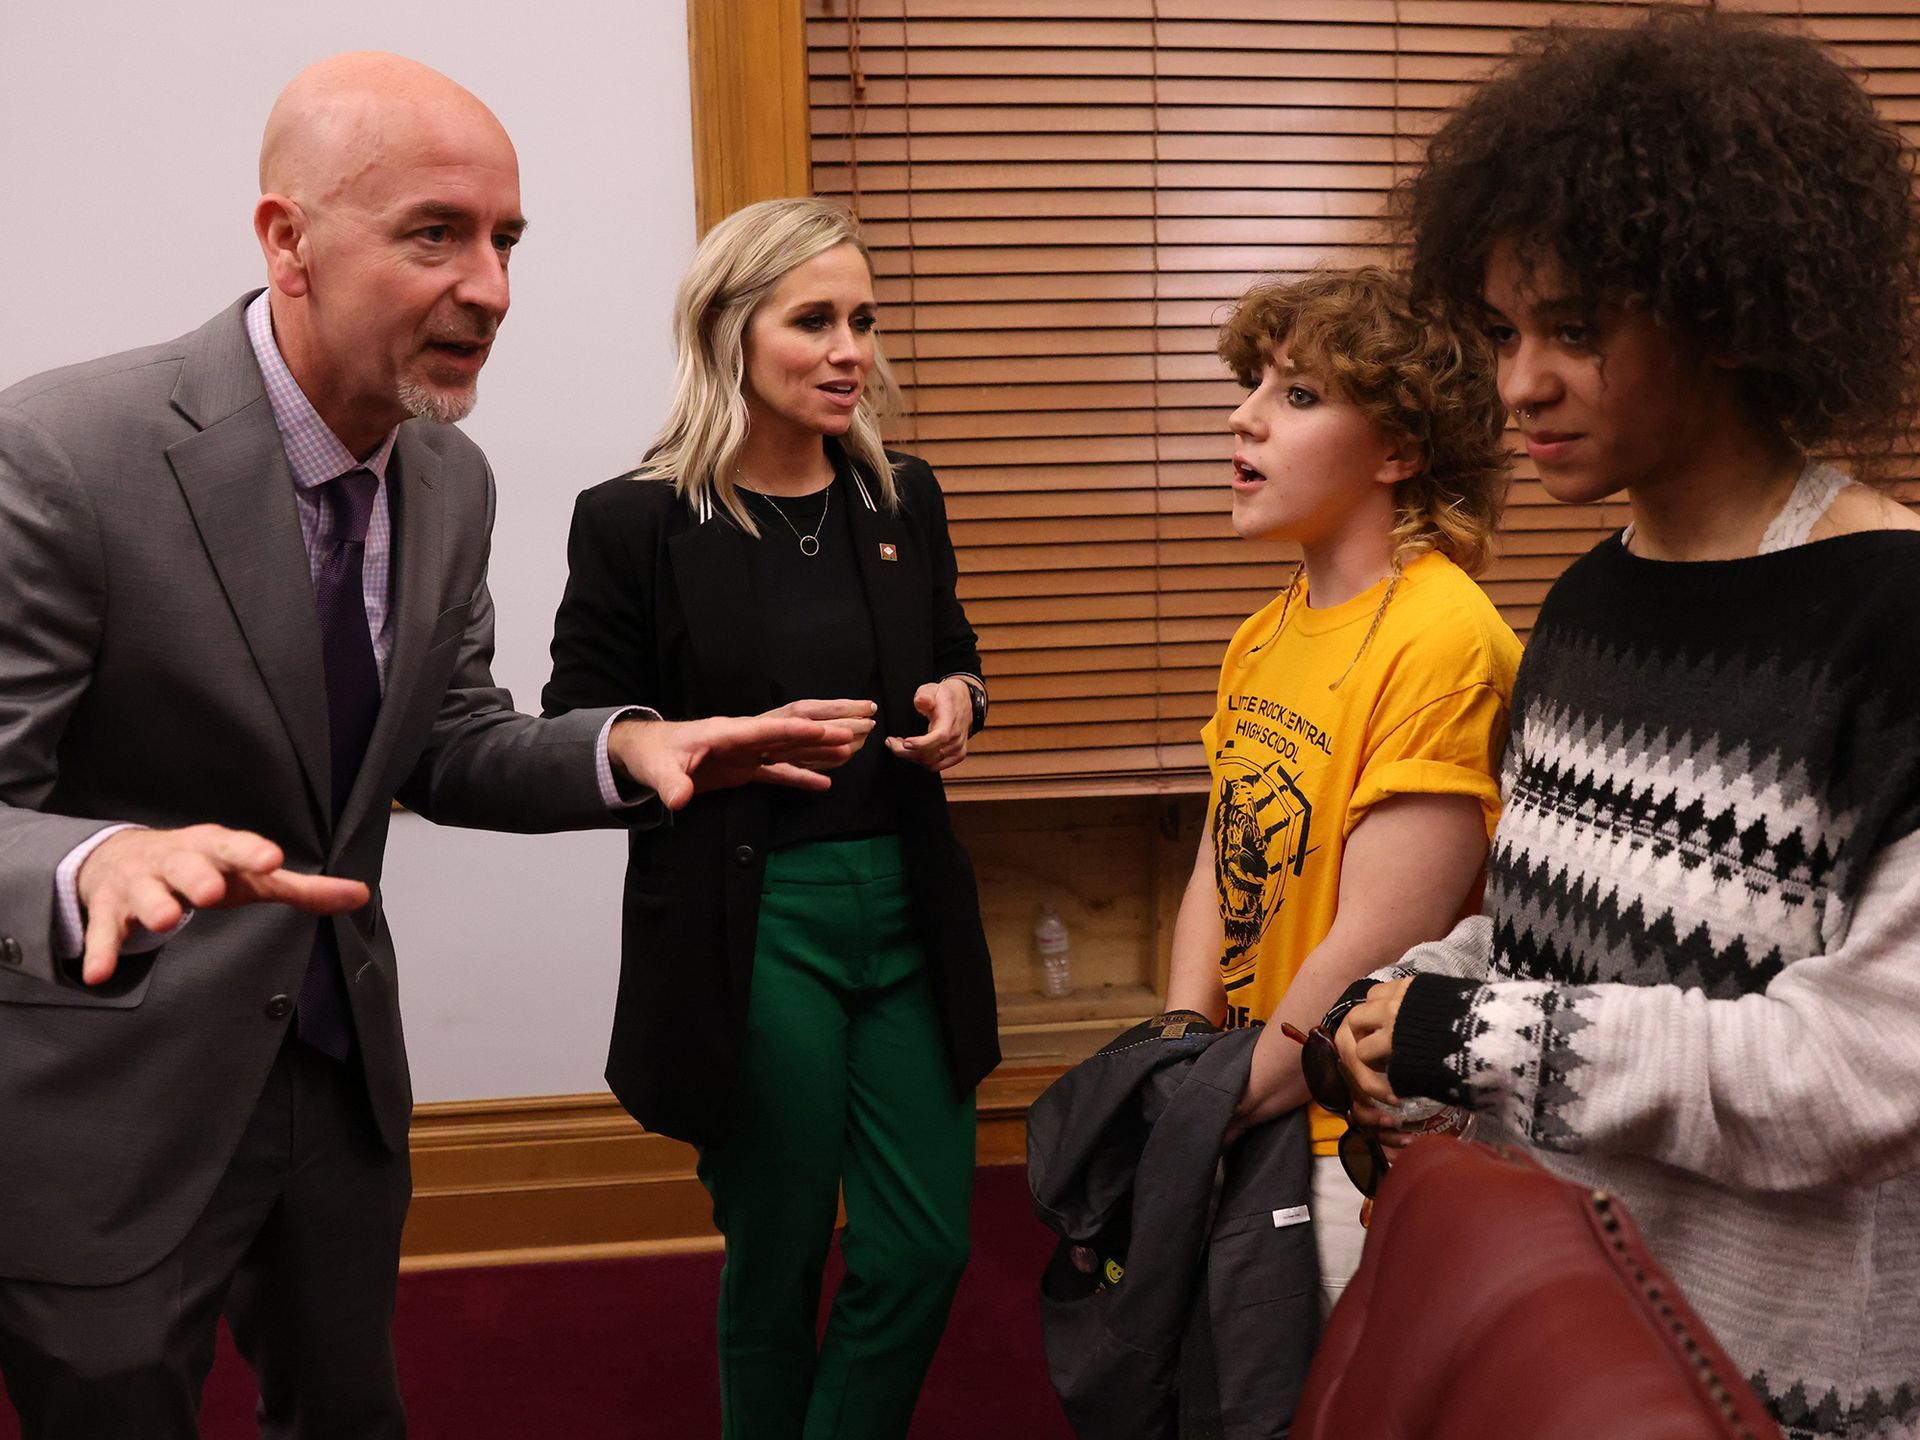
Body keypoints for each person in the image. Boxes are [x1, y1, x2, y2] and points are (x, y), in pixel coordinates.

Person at [0, 54, 853, 1440]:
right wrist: (103, 857)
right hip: (112, 1093)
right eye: (434, 235)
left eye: (506, 242)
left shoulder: (449, 476)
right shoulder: (62, 451)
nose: (492, 290)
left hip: (336, 1082)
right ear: (286, 239)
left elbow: (442, 743)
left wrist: (627, 749)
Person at [1326, 12, 1920, 1439]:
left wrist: (1468, 1034)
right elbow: (1553, 928)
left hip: (1775, 1395)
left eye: (1576, 332)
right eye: (1502, 333)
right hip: (1552, 1343)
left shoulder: (1894, 622)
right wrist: (1402, 996)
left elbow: (1857, 1070)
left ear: (1728, 309)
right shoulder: (1584, 608)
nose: (1519, 384)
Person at [542, 196, 998, 1440]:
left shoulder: (903, 498)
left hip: (907, 910)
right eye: (814, 320)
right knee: (781, 1254)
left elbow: (957, 652)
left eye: (862, 319)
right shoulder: (635, 519)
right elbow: (582, 718)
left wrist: (961, 697)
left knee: (921, 1252)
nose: (851, 349)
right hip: (754, 926)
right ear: (730, 331)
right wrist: (684, 746)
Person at [1160, 265, 1519, 1312]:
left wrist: (1214, 1109)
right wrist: (1183, 1058)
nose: (1245, 417)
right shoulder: (1261, 632)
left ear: (1400, 451)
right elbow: (1219, 859)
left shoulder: (1446, 637)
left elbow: (1379, 937)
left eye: (1299, 396)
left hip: (1342, 1143)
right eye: (1255, 386)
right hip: (1241, 1102)